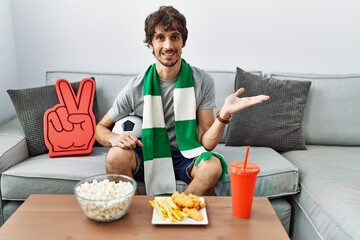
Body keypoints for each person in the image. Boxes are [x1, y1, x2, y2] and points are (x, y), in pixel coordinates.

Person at [95, 6, 269, 196]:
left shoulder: (202, 81)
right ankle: (139, 218)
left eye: (174, 37)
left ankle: (175, 211)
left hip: (187, 154)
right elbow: (100, 129)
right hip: (148, 153)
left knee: (212, 167)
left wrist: (224, 116)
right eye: (160, 37)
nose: (168, 45)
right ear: (151, 44)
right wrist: (114, 138)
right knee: (115, 156)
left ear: (183, 41)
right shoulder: (136, 87)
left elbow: (206, 142)